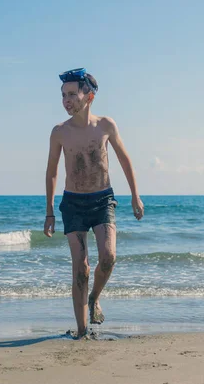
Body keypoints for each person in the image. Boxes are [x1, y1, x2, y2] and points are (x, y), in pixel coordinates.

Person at [43, 68, 144, 338]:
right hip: (73, 203)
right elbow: (52, 172)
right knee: (81, 266)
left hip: (102, 200)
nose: (66, 100)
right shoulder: (59, 132)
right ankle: (80, 330)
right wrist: (50, 212)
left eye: (72, 94)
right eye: (63, 95)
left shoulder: (105, 126)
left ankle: (94, 298)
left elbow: (124, 159)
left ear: (89, 96)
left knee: (108, 258)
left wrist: (135, 195)